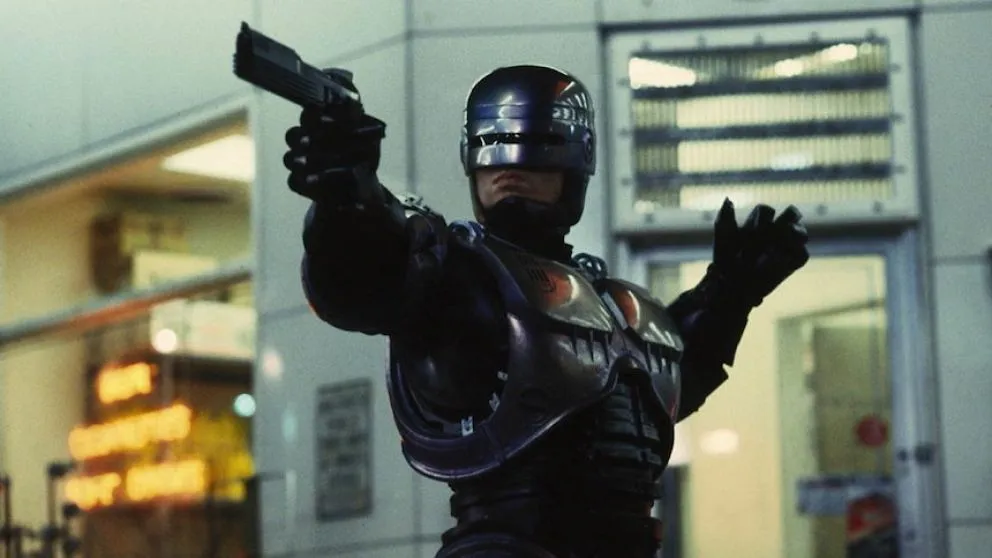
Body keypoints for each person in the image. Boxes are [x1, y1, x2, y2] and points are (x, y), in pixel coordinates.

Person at [283, 64, 809, 558]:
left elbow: (657, 385)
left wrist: (728, 296)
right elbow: (366, 273)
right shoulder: (458, 277)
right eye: (492, 145)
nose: (510, 165)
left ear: (574, 161)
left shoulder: (612, 303)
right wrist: (347, 199)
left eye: (537, 145)